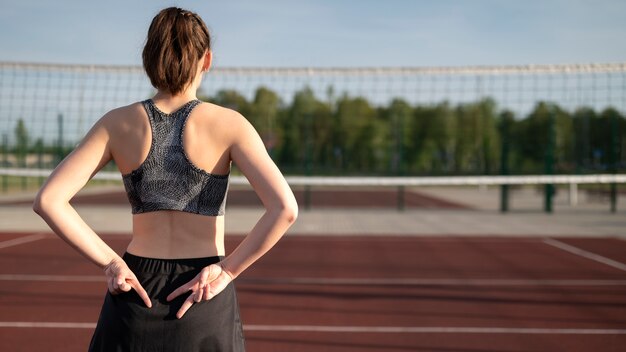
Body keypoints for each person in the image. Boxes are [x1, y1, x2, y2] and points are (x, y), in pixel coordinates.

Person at [32, 6, 298, 352]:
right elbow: (285, 209)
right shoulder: (230, 124)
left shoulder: (117, 123)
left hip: (134, 293)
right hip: (203, 293)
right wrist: (228, 271)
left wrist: (112, 262)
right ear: (207, 60)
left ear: (148, 58)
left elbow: (48, 200)